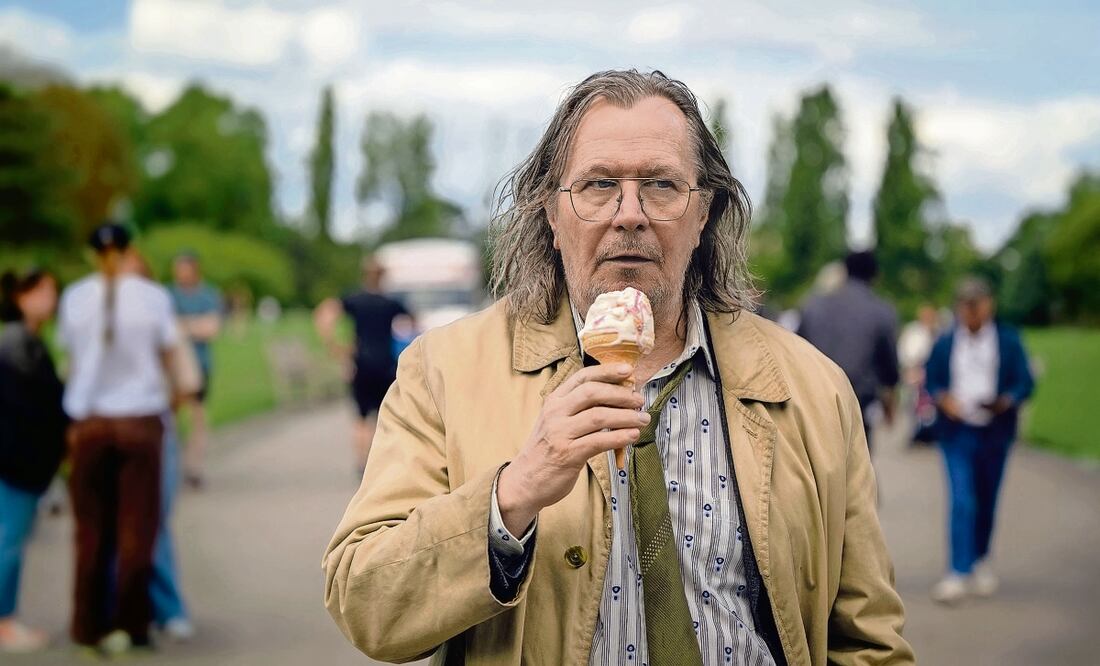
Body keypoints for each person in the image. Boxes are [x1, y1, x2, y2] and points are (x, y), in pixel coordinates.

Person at [323, 70, 913, 665]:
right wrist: (512, 495)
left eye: (661, 185)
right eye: (599, 185)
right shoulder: (444, 372)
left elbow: (869, 641)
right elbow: (366, 604)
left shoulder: (813, 388)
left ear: (703, 213)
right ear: (552, 215)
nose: (630, 214)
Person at [59, 223, 180, 655]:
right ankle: (133, 622)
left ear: (91, 253)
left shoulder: (75, 297)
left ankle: (89, 625)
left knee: (91, 530)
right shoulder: (152, 297)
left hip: (90, 422)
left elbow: (73, 360)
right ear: (130, 249)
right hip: (139, 419)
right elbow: (168, 356)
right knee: (137, 527)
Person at [925, 277, 1034, 604]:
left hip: (994, 431)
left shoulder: (1008, 340)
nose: (972, 312)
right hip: (957, 431)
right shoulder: (946, 341)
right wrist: (943, 398)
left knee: (986, 498)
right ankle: (958, 570)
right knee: (962, 499)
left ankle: (980, 557)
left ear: (989, 305)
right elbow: (932, 379)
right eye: (966, 305)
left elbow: (1024, 382)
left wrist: (1006, 400)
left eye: (977, 304)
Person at [120, 251, 198, 642]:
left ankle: (167, 607)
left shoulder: (163, 322)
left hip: (154, 432)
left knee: (154, 520)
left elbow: (185, 380)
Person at [0, 268, 66, 653]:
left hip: (26, 464)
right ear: (20, 297)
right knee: (9, 541)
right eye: (42, 291)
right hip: (16, 463)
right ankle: (3, 620)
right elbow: (30, 408)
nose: (50, 299)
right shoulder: (15, 345)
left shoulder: (29, 342)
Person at [314, 257, 410, 473]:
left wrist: (334, 346)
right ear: (383, 277)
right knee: (386, 417)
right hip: (386, 365)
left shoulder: (354, 300)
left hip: (361, 364)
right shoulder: (390, 303)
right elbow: (414, 324)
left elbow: (324, 315)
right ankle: (383, 464)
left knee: (361, 417)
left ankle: (362, 463)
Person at [798, 250, 900, 451]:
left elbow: (796, 350)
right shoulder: (881, 311)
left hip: (814, 401)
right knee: (855, 462)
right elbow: (889, 366)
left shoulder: (813, 305)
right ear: (875, 275)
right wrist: (889, 402)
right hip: (857, 404)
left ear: (844, 270)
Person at [168, 252, 222, 490]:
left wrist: (182, 326)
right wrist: (194, 326)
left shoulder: (207, 294)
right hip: (173, 368)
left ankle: (194, 466)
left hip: (200, 365)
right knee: (170, 418)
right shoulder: (169, 294)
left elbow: (211, 328)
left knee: (197, 417)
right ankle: (173, 464)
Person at [898, 303, 941, 445]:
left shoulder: (938, 331)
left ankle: (929, 432)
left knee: (929, 406)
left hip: (930, 373)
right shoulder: (913, 331)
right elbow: (906, 353)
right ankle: (914, 432)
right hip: (914, 371)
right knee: (911, 404)